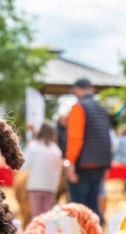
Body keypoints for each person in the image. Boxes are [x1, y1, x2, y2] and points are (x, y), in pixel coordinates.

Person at [65, 78, 112, 220]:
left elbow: (75, 138)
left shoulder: (78, 107)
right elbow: (107, 138)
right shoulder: (102, 109)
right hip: (100, 164)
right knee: (93, 206)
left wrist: (70, 162)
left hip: (82, 165)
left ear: (77, 90)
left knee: (78, 209)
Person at [21, 123, 63, 219]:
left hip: (35, 186)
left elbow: (24, 166)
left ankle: (35, 233)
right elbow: (58, 171)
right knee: (47, 217)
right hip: (50, 187)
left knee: (35, 215)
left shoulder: (33, 146)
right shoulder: (56, 150)